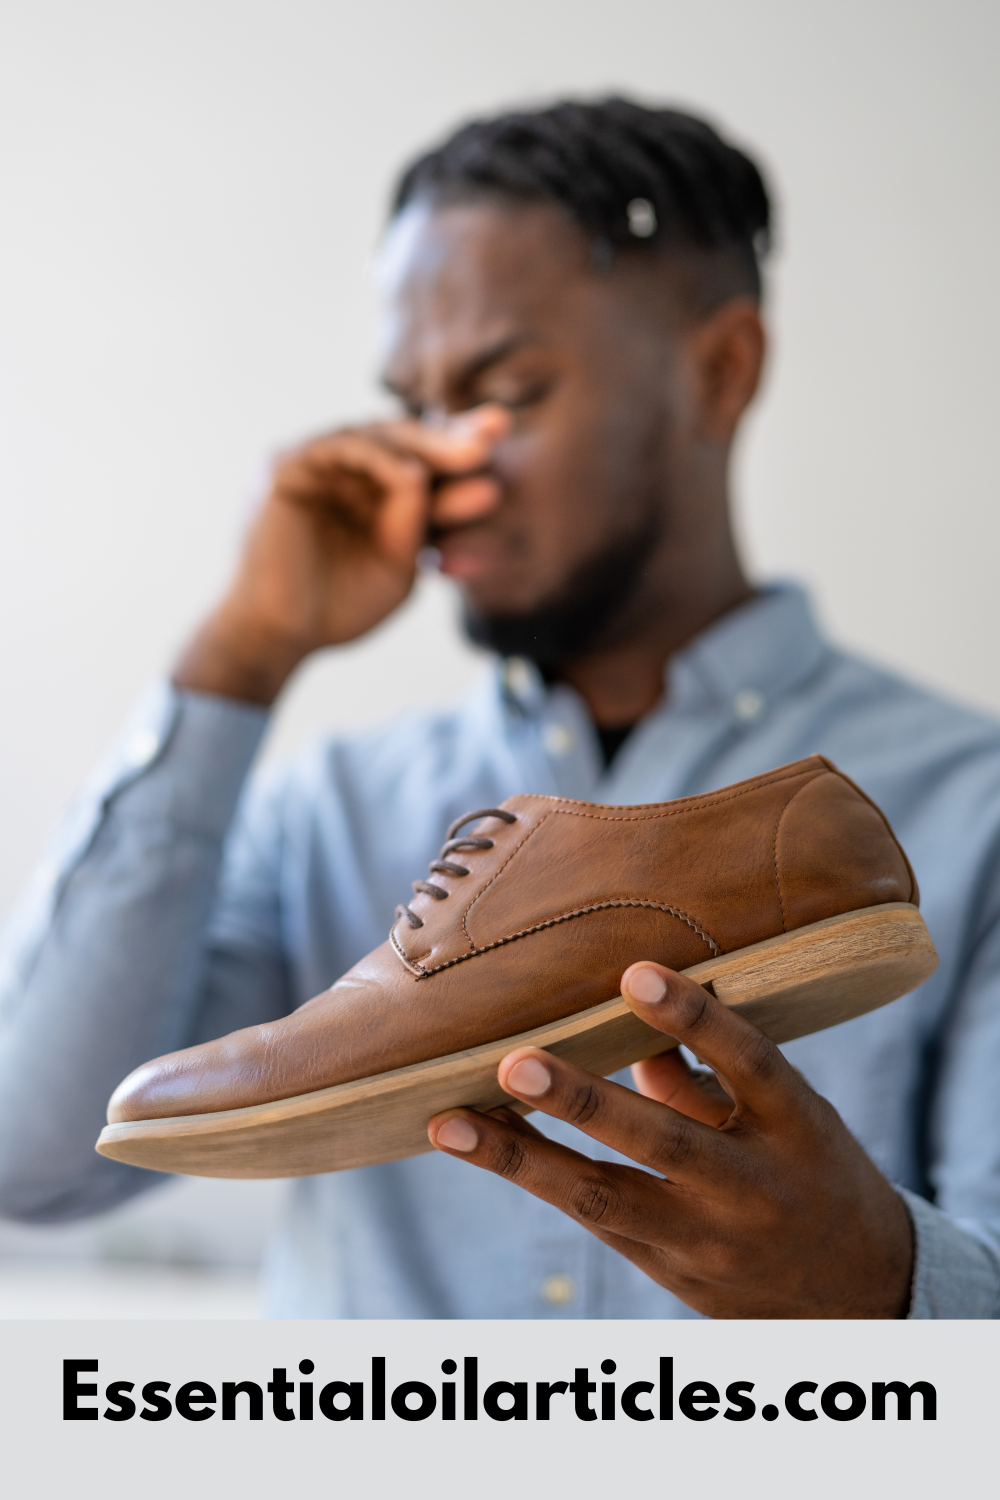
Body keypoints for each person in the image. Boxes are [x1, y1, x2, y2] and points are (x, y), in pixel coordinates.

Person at [1, 98, 999, 1319]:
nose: (436, 468)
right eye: (413, 407)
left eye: (507, 391)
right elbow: (33, 1158)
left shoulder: (972, 809)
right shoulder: (330, 810)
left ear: (719, 373)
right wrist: (240, 654)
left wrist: (889, 1289)